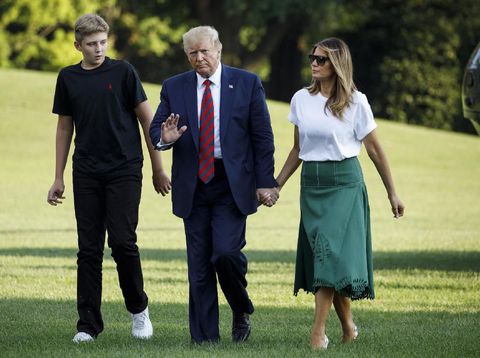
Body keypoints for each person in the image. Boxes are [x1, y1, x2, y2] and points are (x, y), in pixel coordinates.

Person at [149, 26, 278, 344]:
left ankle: (240, 309)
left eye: (205, 50)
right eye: (192, 52)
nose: (199, 57)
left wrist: (266, 182)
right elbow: (156, 130)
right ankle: (204, 339)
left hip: (231, 184)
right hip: (193, 185)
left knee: (224, 254)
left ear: (218, 50)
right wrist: (163, 139)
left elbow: (262, 137)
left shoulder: (246, 83)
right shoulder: (174, 86)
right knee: (199, 265)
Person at [47, 13, 171, 343]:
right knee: (88, 249)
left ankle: (139, 309)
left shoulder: (123, 72)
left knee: (122, 242)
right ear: (78, 45)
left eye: (103, 42)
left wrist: (158, 169)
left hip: (124, 169)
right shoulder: (68, 78)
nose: (98, 49)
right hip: (85, 171)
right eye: (91, 44)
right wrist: (57, 177)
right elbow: (64, 127)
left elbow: (149, 122)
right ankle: (87, 325)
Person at [275, 38, 405, 350]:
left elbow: (374, 149)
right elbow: (298, 148)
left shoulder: (356, 102)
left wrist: (392, 194)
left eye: (321, 59)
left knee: (328, 254)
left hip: (345, 184)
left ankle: (317, 333)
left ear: (337, 65)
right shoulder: (300, 100)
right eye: (313, 58)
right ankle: (348, 325)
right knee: (327, 258)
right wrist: (277, 185)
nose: (314, 63)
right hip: (312, 185)